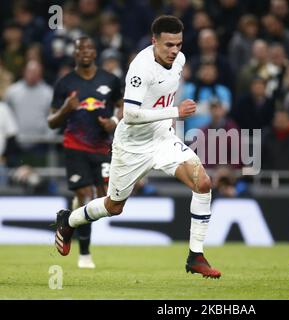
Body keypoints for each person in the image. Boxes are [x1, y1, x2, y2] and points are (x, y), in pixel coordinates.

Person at [53, 15, 221, 279]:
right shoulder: (140, 68)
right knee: (114, 206)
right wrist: (175, 111)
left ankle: (195, 256)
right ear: (154, 41)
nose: (174, 50)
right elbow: (130, 115)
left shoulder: (181, 60)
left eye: (178, 44)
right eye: (168, 45)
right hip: (131, 146)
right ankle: (69, 220)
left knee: (203, 184)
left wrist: (169, 117)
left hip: (163, 138)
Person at [48, 36, 123, 269]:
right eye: (81, 48)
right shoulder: (65, 83)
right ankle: (84, 254)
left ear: (95, 52)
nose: (85, 52)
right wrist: (65, 109)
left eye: (90, 48)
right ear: (75, 53)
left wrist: (113, 120)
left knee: (107, 202)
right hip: (75, 146)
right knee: (86, 197)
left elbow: (123, 107)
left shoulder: (110, 80)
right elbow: (51, 122)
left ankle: (71, 218)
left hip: (102, 147)